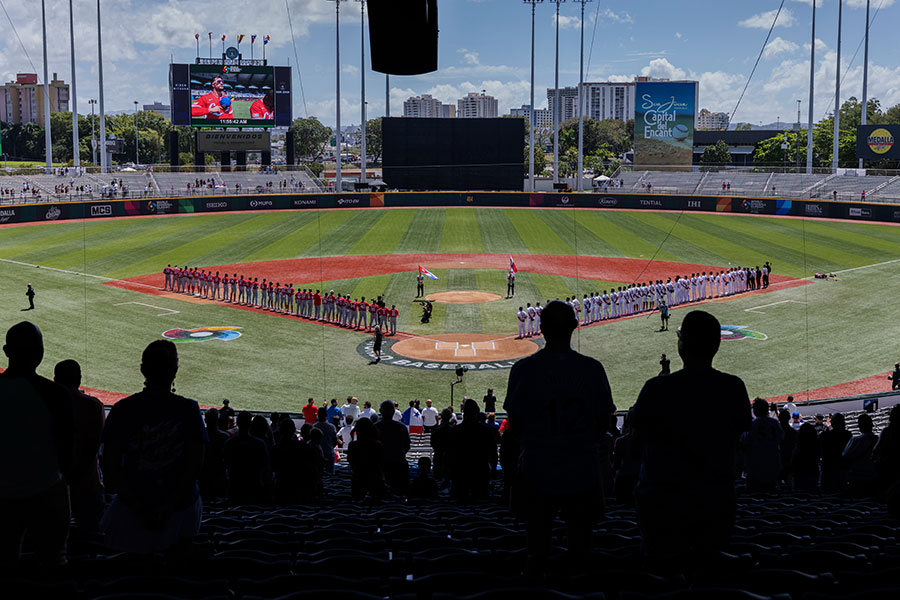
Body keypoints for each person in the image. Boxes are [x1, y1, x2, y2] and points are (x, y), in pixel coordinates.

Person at [630, 310, 751, 566]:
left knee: (661, 570)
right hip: (714, 498)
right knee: (710, 570)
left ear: (682, 344)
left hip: (663, 501)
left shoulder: (656, 388)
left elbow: (636, 434)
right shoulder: (733, 387)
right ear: (716, 345)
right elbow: (741, 431)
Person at [504, 300, 616, 570]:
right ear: (575, 327)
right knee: (581, 548)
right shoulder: (592, 369)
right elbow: (604, 423)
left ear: (540, 328)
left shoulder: (523, 370)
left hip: (537, 468)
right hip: (582, 468)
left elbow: (514, 426)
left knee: (537, 548)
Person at [99, 340, 207, 554]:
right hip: (181, 510)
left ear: (142, 370)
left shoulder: (122, 410)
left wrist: (138, 506)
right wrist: (168, 507)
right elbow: (196, 466)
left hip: (132, 509)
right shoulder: (189, 409)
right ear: (175, 371)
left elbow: (109, 466)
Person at [0, 322, 74, 573]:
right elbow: (67, 454)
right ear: (40, 352)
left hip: (4, 494)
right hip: (47, 491)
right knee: (53, 565)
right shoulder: (57, 395)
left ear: (6, 351)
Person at [54, 359, 105, 533]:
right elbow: (93, 447)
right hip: (87, 485)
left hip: (53, 486)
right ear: (79, 379)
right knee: (90, 538)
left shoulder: (46, 404)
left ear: (55, 379)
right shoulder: (93, 406)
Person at [373, 400, 411, 496]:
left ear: (380, 411)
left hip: (380, 466)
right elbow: (407, 446)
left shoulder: (375, 427)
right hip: (398, 464)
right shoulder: (401, 427)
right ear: (394, 412)